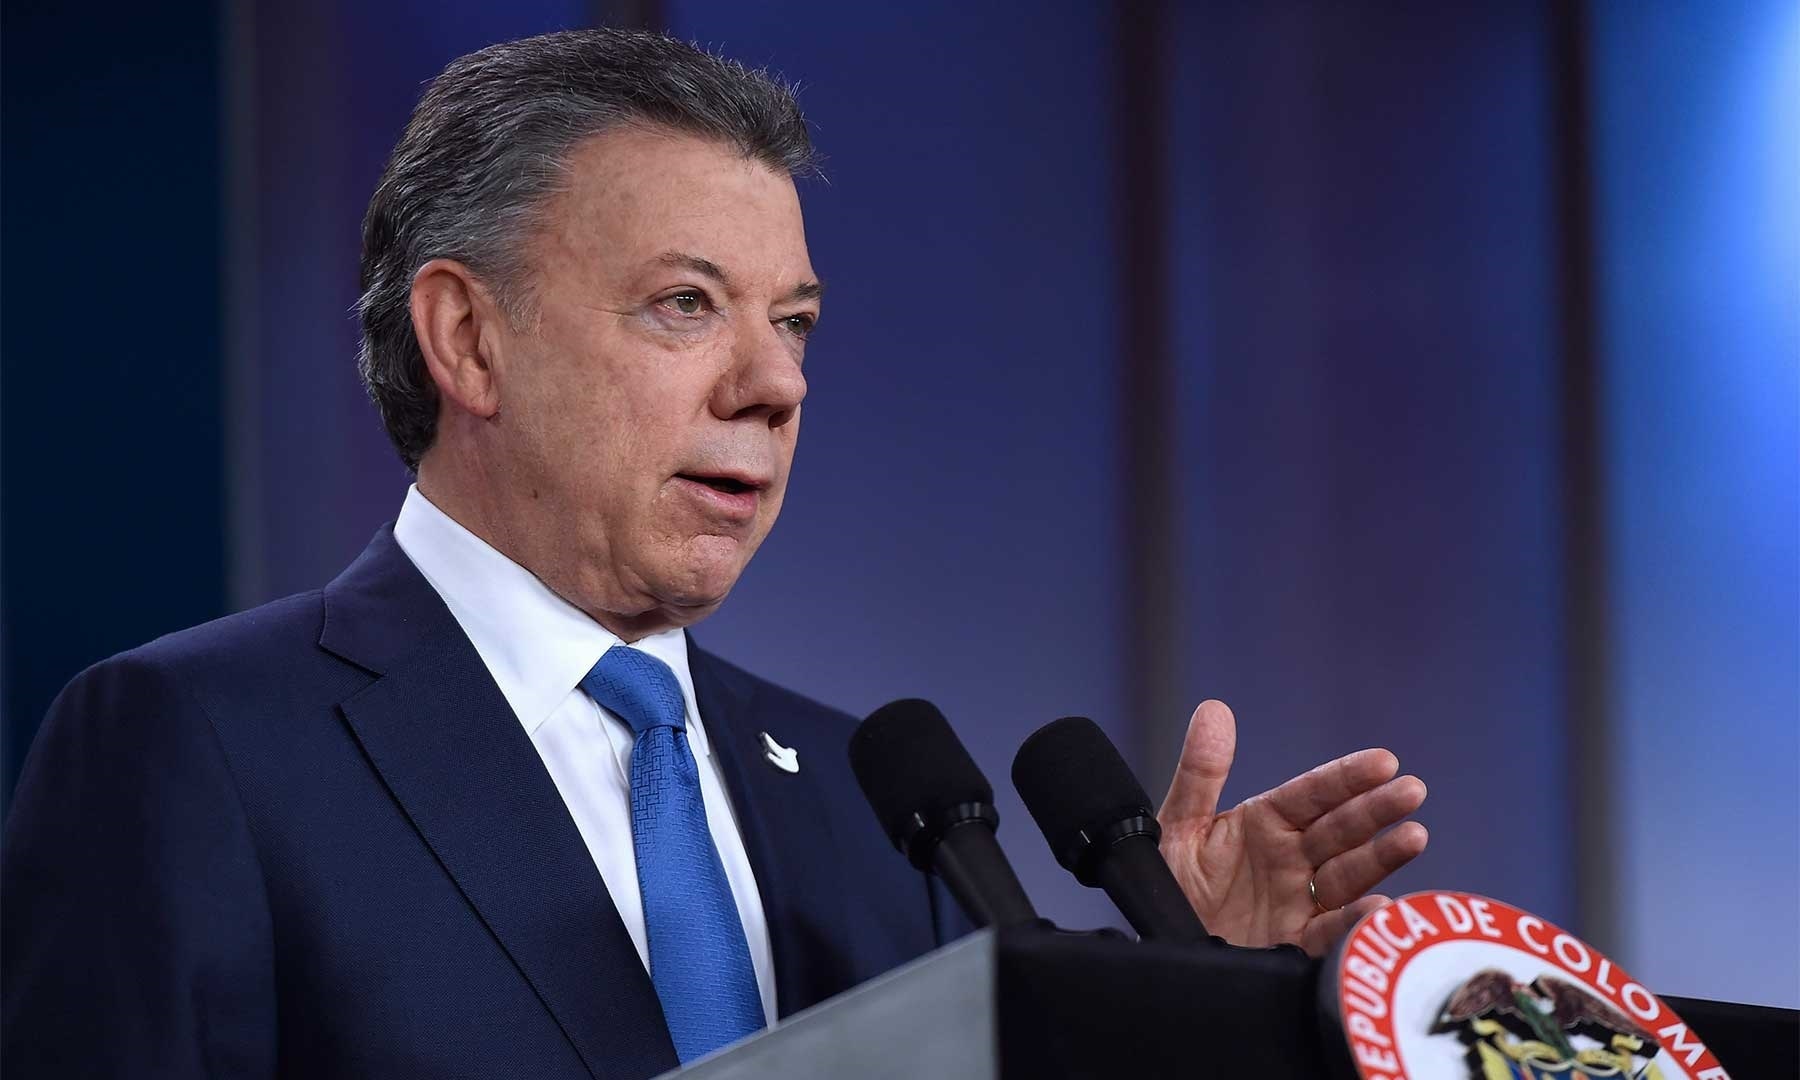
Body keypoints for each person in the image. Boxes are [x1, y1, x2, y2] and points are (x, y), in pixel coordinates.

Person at [0, 28, 1428, 1078]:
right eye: (687, 305)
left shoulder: (875, 803)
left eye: (793, 322)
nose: (776, 384)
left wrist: (1179, 991)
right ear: (470, 340)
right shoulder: (198, 747)